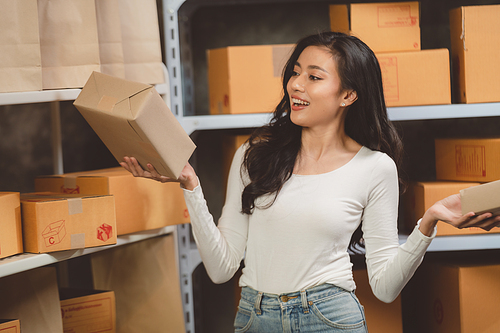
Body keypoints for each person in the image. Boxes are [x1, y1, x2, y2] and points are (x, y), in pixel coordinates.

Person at [120, 31, 500, 332]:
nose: (296, 85)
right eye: (296, 72)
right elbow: (221, 269)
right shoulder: (255, 155)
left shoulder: (375, 168)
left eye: (314, 77)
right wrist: (191, 187)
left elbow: (384, 288)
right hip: (254, 317)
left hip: (328, 318)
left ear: (348, 94)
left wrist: (428, 222)